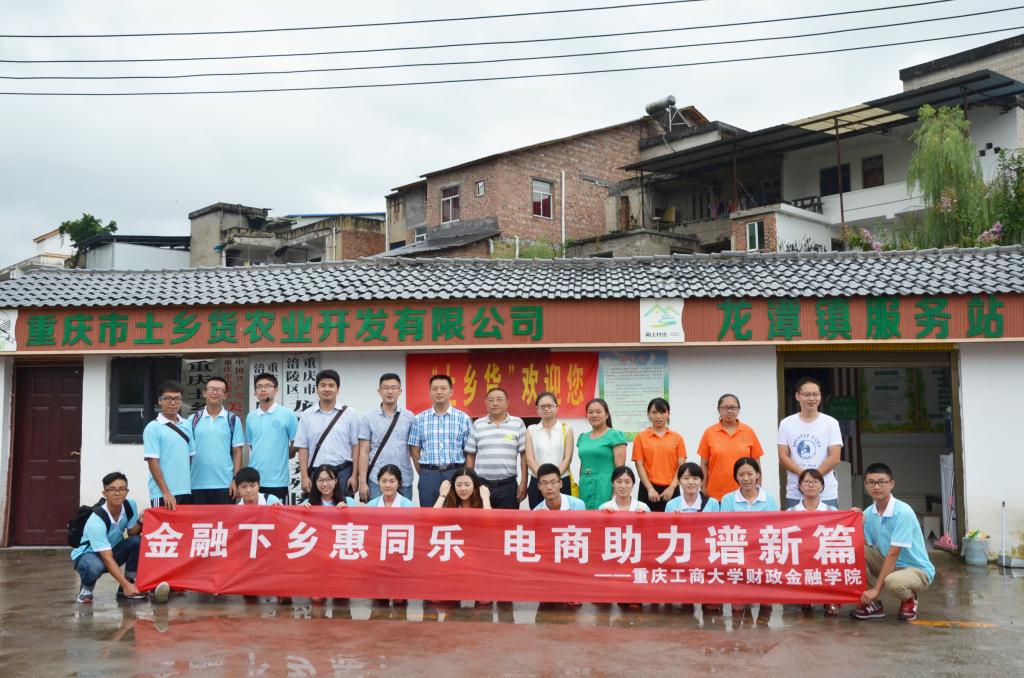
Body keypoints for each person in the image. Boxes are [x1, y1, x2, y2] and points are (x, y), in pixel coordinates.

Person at [850, 462, 935, 622]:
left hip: (915, 569)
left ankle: (909, 599)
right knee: (855, 553)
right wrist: (856, 523)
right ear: (866, 485)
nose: (876, 487)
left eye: (881, 482)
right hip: (887, 562)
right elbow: (866, 546)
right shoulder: (869, 513)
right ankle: (873, 605)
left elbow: (893, 553)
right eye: (871, 482)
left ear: (891, 484)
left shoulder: (903, 512)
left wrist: (877, 589)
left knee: (893, 582)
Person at [71, 472, 145, 603]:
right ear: (104, 493)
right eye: (112, 489)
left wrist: (140, 522)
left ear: (127, 491)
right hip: (88, 555)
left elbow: (132, 534)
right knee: (95, 566)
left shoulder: (130, 505)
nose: (117, 493)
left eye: (122, 489)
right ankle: (87, 588)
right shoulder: (96, 521)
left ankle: (126, 586)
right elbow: (107, 558)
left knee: (138, 541)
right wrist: (127, 586)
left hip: (112, 550)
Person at [777, 377, 842, 509]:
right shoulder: (786, 423)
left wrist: (813, 478)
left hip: (825, 491)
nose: (811, 398)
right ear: (797, 396)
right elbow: (783, 457)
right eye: (807, 394)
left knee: (827, 523)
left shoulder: (831, 423)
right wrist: (804, 477)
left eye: (815, 394)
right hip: (796, 491)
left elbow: (835, 457)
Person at [409, 374, 472, 508]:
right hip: (429, 475)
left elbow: (469, 451)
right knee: (428, 513)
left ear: (451, 392)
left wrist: (465, 475)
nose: (439, 392)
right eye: (435, 388)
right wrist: (425, 473)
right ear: (430, 392)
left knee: (454, 513)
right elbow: (414, 451)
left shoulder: (463, 419)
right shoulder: (419, 419)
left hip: (455, 472)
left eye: (443, 388)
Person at [295, 369, 360, 499]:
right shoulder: (307, 415)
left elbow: (356, 446)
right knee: (315, 510)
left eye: (331, 385)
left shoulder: (350, 414)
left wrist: (354, 476)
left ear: (338, 389)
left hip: (343, 473)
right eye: (323, 385)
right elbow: (303, 448)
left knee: (343, 509)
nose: (327, 389)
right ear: (317, 389)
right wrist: (304, 477)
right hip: (316, 474)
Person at [465, 387, 527, 509]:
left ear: (507, 403)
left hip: (508, 486)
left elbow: (524, 456)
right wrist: (470, 483)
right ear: (486, 403)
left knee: (509, 520)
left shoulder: (518, 423)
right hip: (482, 485)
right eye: (491, 400)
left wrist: (524, 483)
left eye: (499, 399)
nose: (495, 403)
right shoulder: (478, 424)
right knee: (481, 520)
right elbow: (471, 456)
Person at [358, 373, 415, 502]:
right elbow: (364, 452)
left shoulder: (409, 417)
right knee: (377, 514)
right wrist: (362, 482)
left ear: (400, 391)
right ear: (379, 391)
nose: (390, 391)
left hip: (404, 479)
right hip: (376, 480)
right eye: (386, 388)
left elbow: (414, 450)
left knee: (405, 514)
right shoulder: (368, 418)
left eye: (394, 388)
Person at [789, 468, 839, 616]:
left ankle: (830, 599)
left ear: (822, 486)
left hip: (825, 555)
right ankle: (806, 596)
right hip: (801, 556)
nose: (811, 485)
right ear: (799, 486)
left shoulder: (832, 510)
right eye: (807, 482)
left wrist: (854, 514)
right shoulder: (791, 512)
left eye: (815, 482)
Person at [697, 393, 765, 501]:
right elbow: (704, 465)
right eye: (725, 407)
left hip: (744, 494)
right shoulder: (709, 432)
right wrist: (703, 491)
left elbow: (757, 465)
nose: (729, 411)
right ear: (719, 410)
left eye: (733, 407)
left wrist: (758, 490)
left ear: (738, 409)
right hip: (716, 495)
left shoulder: (748, 431)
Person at [189, 376, 245, 505]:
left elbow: (237, 452)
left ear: (225, 395)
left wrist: (235, 480)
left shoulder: (232, 420)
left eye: (219, 390)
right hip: (196, 483)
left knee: (225, 519)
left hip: (225, 484)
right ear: (204, 393)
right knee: (200, 518)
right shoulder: (193, 419)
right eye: (211, 389)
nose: (215, 392)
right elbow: (187, 453)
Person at [245, 372, 298, 503]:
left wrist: (283, 454)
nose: (263, 389)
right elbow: (252, 445)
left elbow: (296, 443)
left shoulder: (288, 414)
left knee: (278, 514)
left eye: (268, 386)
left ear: (276, 390)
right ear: (255, 392)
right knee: (256, 515)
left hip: (278, 481)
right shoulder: (251, 417)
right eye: (259, 387)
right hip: (254, 480)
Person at [143, 380, 195, 509]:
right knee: (164, 523)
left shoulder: (187, 424)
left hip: (185, 491)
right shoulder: (153, 427)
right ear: (160, 401)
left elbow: (190, 457)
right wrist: (166, 492)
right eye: (168, 398)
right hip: (163, 494)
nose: (173, 402)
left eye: (177, 398)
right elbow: (152, 462)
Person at [632, 398, 686, 512]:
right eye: (654, 412)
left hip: (672, 488)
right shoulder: (640, 437)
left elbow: (681, 465)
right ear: (648, 415)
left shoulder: (677, 438)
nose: (658, 416)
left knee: (672, 521)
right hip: (648, 489)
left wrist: (672, 487)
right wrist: (650, 489)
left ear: (668, 414)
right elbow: (639, 465)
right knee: (646, 521)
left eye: (662, 412)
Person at [524, 392, 574, 509]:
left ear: (556, 407)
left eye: (550, 405)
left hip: (561, 481)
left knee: (563, 516)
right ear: (537, 410)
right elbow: (529, 459)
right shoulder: (531, 430)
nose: (546, 409)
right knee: (538, 517)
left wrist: (554, 479)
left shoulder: (566, 429)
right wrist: (544, 480)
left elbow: (568, 458)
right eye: (542, 406)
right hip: (538, 482)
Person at [576, 398, 627, 510]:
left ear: (606, 415)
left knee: (605, 516)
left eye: (599, 412)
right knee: (585, 517)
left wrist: (616, 493)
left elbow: (620, 469)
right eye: (590, 412)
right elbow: (582, 465)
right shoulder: (583, 437)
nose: (594, 415)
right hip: (585, 485)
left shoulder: (615, 435)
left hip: (606, 485)